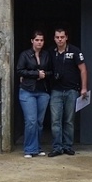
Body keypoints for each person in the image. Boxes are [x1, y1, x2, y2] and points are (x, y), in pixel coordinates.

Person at [48, 28, 88, 157]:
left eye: (62, 37)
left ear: (66, 38)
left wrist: (84, 88)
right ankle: (57, 147)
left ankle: (67, 146)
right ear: (54, 38)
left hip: (72, 90)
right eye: (57, 37)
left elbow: (83, 69)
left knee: (69, 120)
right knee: (55, 120)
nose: (60, 39)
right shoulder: (50, 52)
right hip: (55, 90)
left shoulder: (75, 51)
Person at [16, 30, 53, 158]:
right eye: (37, 40)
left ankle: (37, 147)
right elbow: (19, 70)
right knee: (31, 120)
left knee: (39, 121)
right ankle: (29, 149)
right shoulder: (25, 55)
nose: (39, 42)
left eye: (41, 40)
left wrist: (43, 75)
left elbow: (51, 72)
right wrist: (36, 74)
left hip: (43, 91)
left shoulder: (46, 55)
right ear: (32, 41)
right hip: (27, 91)